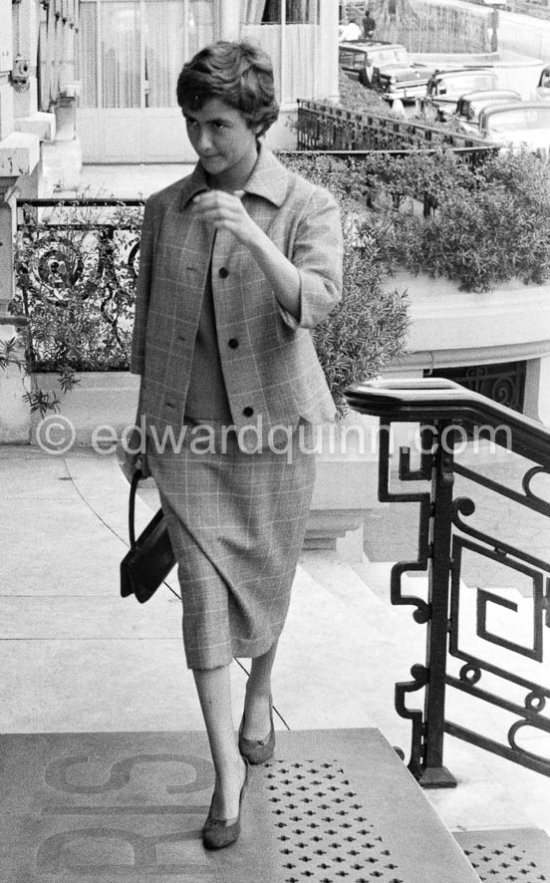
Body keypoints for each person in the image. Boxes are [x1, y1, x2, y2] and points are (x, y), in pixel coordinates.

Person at [126, 39, 343, 849]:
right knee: (205, 607)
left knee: (267, 579)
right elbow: (147, 330)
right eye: (191, 123)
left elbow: (316, 304)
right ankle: (226, 778)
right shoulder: (162, 208)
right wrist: (142, 431)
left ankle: (263, 693)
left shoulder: (307, 206)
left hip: (278, 436)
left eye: (216, 124)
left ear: (257, 121)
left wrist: (253, 236)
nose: (202, 142)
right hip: (188, 442)